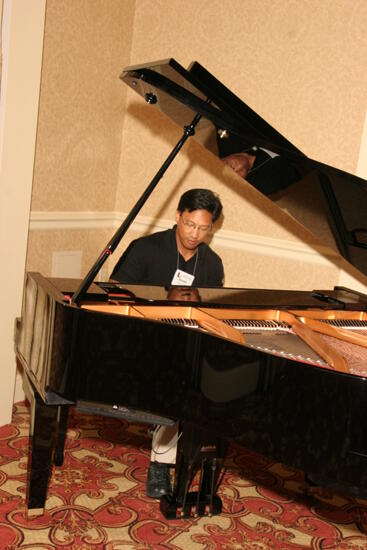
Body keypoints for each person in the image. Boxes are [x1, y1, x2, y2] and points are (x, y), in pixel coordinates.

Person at [110, 188, 224, 498]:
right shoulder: (145, 249)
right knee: (179, 384)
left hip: (185, 342)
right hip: (140, 337)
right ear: (178, 216)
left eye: (204, 228)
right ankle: (160, 465)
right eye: (189, 224)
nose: (194, 234)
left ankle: (196, 454)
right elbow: (116, 300)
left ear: (212, 227)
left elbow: (209, 313)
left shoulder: (212, 264)